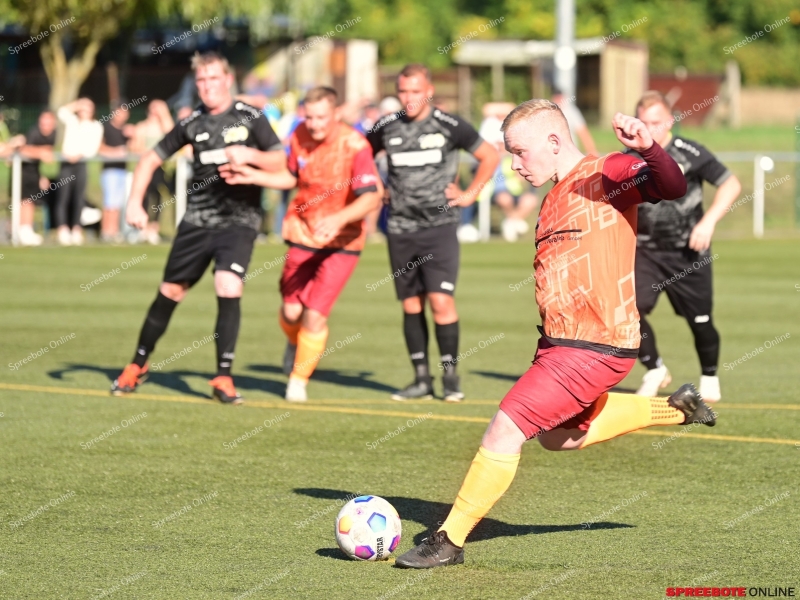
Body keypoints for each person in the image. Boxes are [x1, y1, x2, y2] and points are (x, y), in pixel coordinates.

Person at [394, 100, 717, 569]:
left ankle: (448, 541)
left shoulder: (605, 172)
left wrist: (649, 148)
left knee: (507, 426)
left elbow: (671, 184)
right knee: (558, 439)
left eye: (520, 152)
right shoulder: (552, 197)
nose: (515, 164)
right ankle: (675, 408)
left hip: (597, 344)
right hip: (561, 345)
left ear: (552, 141)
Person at [110, 51, 285, 404]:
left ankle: (223, 376)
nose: (207, 87)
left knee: (228, 284)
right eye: (201, 81)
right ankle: (137, 364)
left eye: (214, 79)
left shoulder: (251, 117)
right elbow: (150, 159)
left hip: (239, 221)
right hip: (197, 221)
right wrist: (133, 202)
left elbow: (280, 159)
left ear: (228, 80)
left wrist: (248, 155)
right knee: (171, 293)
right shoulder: (192, 123)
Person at [220, 86, 383, 402]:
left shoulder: (354, 145)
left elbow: (373, 197)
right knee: (291, 311)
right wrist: (252, 176)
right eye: (309, 117)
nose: (315, 124)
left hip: (343, 241)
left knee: (314, 313)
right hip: (302, 233)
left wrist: (338, 220)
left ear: (336, 114)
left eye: (322, 117)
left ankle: (298, 379)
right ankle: (295, 344)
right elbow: (291, 177)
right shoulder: (299, 137)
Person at [366, 64, 499, 402]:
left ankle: (450, 377)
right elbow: (360, 158)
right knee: (411, 305)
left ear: (429, 91)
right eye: (403, 91)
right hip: (399, 227)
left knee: (441, 301)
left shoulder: (449, 124)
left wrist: (469, 195)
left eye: (415, 91)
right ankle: (421, 379)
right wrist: (377, 186)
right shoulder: (385, 126)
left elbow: (489, 156)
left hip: (438, 227)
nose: (409, 98)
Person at [628, 91, 741, 402]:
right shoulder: (629, 157)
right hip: (646, 251)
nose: (649, 129)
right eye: (643, 122)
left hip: (688, 253)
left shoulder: (688, 151)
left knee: (701, 320)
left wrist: (708, 223)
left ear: (669, 121)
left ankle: (709, 375)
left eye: (655, 122)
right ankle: (654, 369)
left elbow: (731, 184)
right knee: (628, 311)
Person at [476, 102, 539, 243]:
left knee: (530, 200)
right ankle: (514, 222)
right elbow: (487, 109)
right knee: (504, 198)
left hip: (514, 189)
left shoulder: (516, 153)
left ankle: (512, 221)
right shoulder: (490, 128)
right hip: (495, 190)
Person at [55, 98, 104, 245]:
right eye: (82, 108)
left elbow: (93, 148)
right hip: (66, 164)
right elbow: (61, 112)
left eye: (88, 108)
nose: (84, 111)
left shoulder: (96, 126)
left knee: (79, 197)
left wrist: (79, 155)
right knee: (63, 197)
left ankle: (76, 229)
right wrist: (77, 104)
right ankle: (62, 229)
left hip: (81, 164)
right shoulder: (72, 121)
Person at [128, 100, 175, 244]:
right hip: (146, 167)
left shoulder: (163, 127)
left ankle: (154, 227)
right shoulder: (142, 127)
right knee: (146, 197)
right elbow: (135, 147)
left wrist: (164, 114)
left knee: (158, 197)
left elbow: (173, 135)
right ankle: (144, 228)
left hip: (160, 168)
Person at [17, 111, 57, 245]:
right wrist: (40, 152)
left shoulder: (54, 135)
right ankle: (23, 230)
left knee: (32, 201)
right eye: (43, 122)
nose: (46, 125)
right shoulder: (33, 133)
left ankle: (27, 229)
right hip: (23, 172)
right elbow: (23, 149)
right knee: (25, 200)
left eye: (49, 122)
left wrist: (42, 175)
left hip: (36, 173)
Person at [99, 101, 132, 243]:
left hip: (122, 170)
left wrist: (133, 136)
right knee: (109, 202)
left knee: (117, 202)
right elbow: (99, 148)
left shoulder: (126, 131)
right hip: (109, 170)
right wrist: (115, 153)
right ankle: (106, 230)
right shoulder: (105, 128)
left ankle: (114, 230)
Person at [552, 89, 597, 156]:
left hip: (570, 154)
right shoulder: (550, 112)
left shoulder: (571, 112)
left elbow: (583, 133)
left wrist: (593, 154)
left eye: (559, 98)